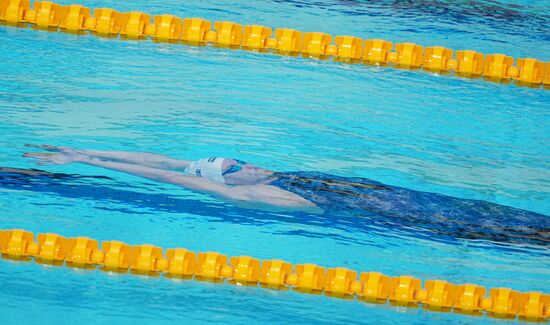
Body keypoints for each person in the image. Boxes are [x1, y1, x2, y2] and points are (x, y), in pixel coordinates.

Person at [22, 144, 549, 244]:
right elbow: (171, 177)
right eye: (237, 166)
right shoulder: (259, 197)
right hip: (413, 222)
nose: (248, 163)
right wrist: (92, 165)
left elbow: (167, 161)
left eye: (240, 157)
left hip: (405, 197)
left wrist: (87, 154)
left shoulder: (258, 177)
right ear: (233, 183)